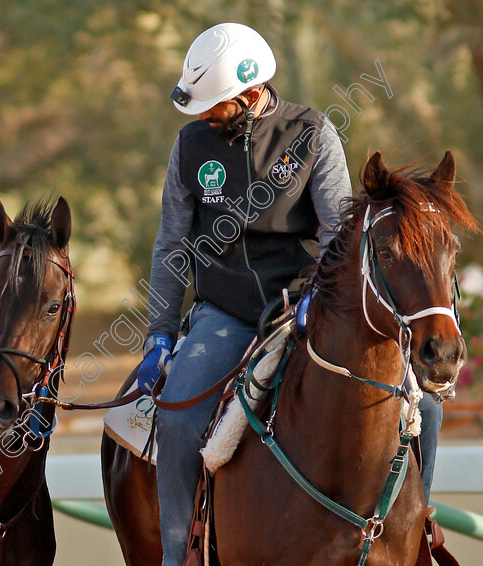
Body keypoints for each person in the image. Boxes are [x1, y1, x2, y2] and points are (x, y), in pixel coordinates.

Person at [136, 22, 354, 566]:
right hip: (225, 313)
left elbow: (339, 236)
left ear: (253, 95)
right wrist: (159, 334)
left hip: (308, 308)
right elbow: (171, 246)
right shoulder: (190, 145)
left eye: (215, 106)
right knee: (178, 418)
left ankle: (416, 529)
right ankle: (178, 554)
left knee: (415, 402)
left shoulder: (313, 133)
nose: (204, 117)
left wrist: (318, 300)